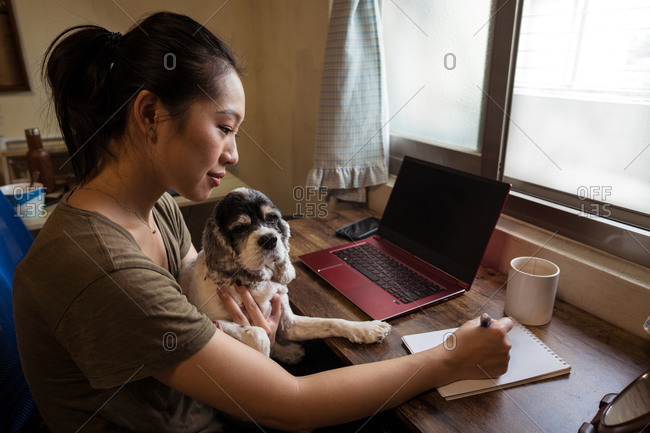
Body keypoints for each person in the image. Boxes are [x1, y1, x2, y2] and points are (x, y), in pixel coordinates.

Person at [13, 11, 513, 433]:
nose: (232, 153)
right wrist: (450, 355)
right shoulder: (101, 267)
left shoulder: (153, 205)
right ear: (149, 114)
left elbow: (202, 277)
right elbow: (292, 405)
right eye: (225, 128)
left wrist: (263, 306)